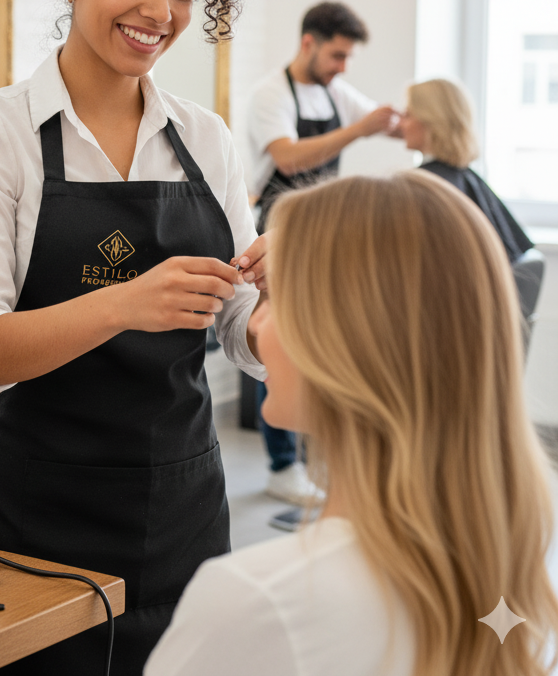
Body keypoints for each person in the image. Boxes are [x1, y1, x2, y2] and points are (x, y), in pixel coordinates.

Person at [0, 0, 266, 675]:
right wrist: (125, 303)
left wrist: (283, 310)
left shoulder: (206, 138)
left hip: (184, 510)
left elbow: (239, 322)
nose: (160, 13)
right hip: (34, 523)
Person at [147, 171, 558, 676]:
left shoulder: (254, 602)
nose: (256, 321)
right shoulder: (511, 575)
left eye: (279, 300)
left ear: (349, 343)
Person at [246, 1, 398, 507]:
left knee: (321, 343)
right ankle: (282, 465)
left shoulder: (335, 90)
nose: (343, 67)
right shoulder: (270, 94)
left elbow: (381, 121)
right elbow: (288, 157)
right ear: (308, 43)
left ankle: (315, 458)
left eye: (348, 57)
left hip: (321, 235)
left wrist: (416, 120)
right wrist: (360, 129)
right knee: (279, 341)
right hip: (279, 234)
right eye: (337, 55)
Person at [400, 78, 532, 263]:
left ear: (430, 120)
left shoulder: (423, 184)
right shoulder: (462, 177)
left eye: (407, 115)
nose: (400, 124)